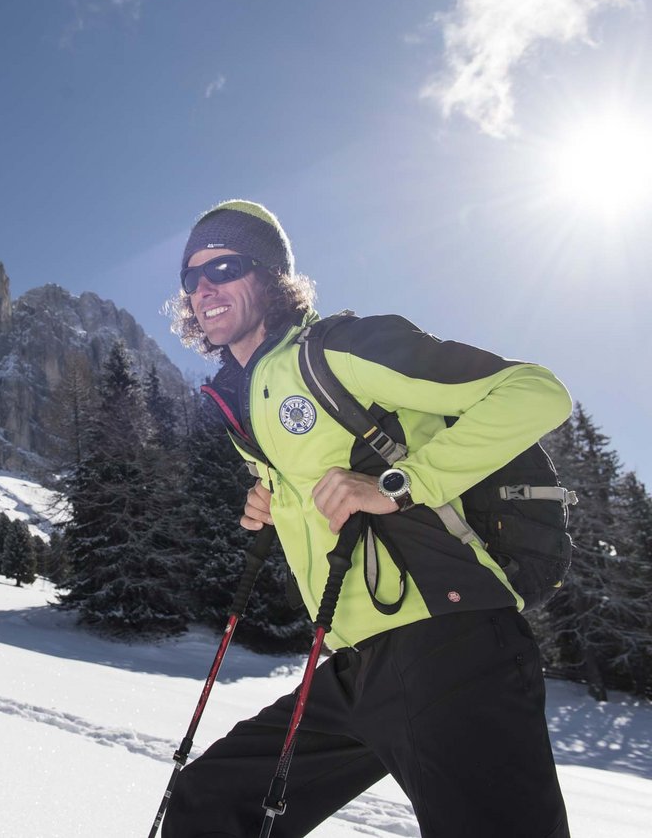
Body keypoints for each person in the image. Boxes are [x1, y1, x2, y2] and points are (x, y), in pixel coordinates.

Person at [162, 200, 572, 838]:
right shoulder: (243, 404)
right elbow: (328, 480)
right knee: (209, 805)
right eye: (192, 277)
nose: (204, 287)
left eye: (225, 266)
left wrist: (401, 484)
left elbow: (535, 392)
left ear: (270, 277)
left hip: (452, 644)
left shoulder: (339, 349)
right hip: (358, 665)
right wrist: (275, 503)